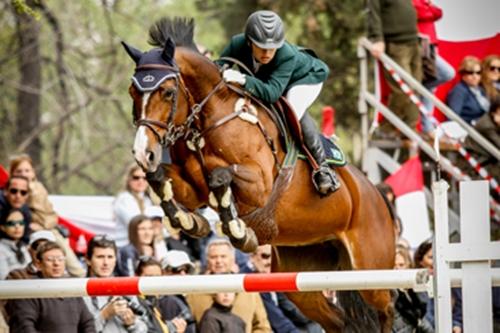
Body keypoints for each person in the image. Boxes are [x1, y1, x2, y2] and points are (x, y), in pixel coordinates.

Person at [217, 10, 339, 196]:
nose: (267, 53)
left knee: (292, 107)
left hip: (306, 78)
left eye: (272, 47)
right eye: (261, 47)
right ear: (249, 42)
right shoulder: (237, 44)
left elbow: (272, 93)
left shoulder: (286, 55)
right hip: (272, 81)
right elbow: (216, 68)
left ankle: (322, 168)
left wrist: (242, 79)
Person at [9, 154, 85, 277]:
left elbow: (51, 215)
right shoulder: (13, 191)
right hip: (27, 235)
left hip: (48, 230)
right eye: (19, 171)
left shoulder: (39, 188)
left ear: (33, 172)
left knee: (71, 264)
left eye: (27, 170)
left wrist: (44, 225)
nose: (24, 174)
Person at [6, 241, 96, 332]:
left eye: (60, 259)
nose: (56, 263)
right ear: (39, 264)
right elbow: (24, 326)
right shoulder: (29, 290)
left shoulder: (70, 288)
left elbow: (88, 322)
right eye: (50, 259)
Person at [186, 238, 271, 332]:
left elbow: (263, 327)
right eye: (213, 257)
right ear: (207, 261)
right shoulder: (195, 292)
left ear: (232, 259)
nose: (218, 261)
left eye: (223, 256)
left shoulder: (248, 290)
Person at [368, 0, 422, 137]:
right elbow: (373, 14)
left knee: (416, 88)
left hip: (413, 41)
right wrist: (377, 38)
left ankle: (411, 129)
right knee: (403, 88)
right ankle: (386, 127)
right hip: (397, 44)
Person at [242, 245, 322, 333]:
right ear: (252, 257)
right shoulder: (250, 279)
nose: (271, 261)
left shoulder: (272, 275)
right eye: (266, 256)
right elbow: (278, 321)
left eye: (274, 256)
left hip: (281, 325)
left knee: (314, 325)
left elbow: (292, 309)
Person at [83, 235, 148, 333]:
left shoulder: (124, 287)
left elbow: (144, 329)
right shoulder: (79, 290)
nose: (106, 262)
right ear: (88, 260)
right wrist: (105, 314)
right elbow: (79, 330)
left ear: (115, 260)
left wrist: (132, 324)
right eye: (100, 257)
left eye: (110, 257)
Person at [412, 0, 456, 134]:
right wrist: (429, 6)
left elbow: (439, 13)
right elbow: (422, 13)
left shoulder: (424, 3)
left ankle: (428, 128)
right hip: (422, 44)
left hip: (431, 46)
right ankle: (420, 88)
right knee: (447, 73)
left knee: (431, 87)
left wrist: (429, 7)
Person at [414, 239, 463, 333]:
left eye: (439, 257)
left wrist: (456, 325)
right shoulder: (415, 287)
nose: (436, 262)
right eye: (431, 257)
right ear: (420, 260)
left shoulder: (454, 284)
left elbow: (459, 312)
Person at [136, 256, 188, 333]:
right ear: (136, 276)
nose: (153, 282)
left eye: (157, 277)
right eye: (149, 277)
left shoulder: (154, 301)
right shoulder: (135, 304)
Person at [392, 245, 434, 333]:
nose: (397, 269)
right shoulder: (390, 296)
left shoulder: (419, 291)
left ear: (408, 266)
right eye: (393, 265)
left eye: (401, 265)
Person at [462, 96, 500, 187]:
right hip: (476, 165)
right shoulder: (487, 126)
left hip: (488, 160)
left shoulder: (492, 121)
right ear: (494, 112)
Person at [113, 164, 153, 247]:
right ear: (129, 180)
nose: (141, 181)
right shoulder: (124, 199)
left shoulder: (147, 200)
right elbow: (136, 224)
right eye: (136, 177)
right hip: (124, 246)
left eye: (145, 178)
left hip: (143, 246)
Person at [159, 250, 197, 333]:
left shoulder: (177, 297)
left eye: (186, 270)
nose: (183, 274)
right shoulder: (169, 301)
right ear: (164, 272)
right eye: (177, 270)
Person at [446, 56, 490, 125]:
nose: (475, 76)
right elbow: (453, 117)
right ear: (463, 75)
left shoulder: (480, 89)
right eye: (470, 73)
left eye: (478, 73)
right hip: (469, 129)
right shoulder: (459, 91)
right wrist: (473, 122)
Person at [0, 208, 30, 279]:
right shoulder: (1, 249)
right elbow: (3, 278)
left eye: (21, 223)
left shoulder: (22, 247)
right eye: (11, 223)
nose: (17, 226)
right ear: (2, 227)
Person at [0, 175, 31, 242]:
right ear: (5, 191)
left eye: (23, 192)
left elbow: (25, 239)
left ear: (27, 195)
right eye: (14, 191)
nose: (18, 196)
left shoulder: (25, 210)